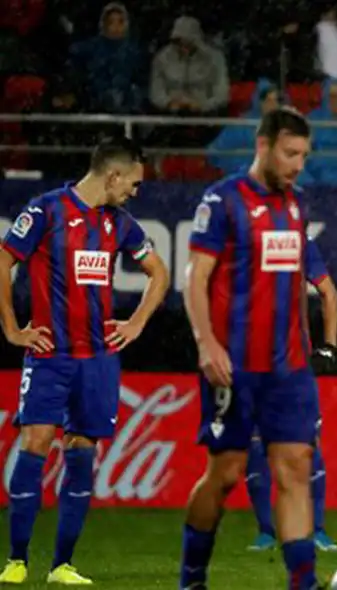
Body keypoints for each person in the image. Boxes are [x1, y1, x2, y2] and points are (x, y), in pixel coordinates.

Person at [0, 137, 169, 585]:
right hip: (50, 355)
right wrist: (13, 328)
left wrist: (135, 323)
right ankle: (17, 559)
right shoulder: (45, 211)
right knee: (35, 441)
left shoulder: (122, 224)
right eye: (132, 183)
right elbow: (2, 260)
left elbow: (160, 273)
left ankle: (61, 566)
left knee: (82, 452)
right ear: (112, 176)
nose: (135, 191)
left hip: (97, 359)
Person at [179, 107, 321, 590]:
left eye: (303, 155)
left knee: (296, 466)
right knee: (225, 473)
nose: (298, 164)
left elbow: (298, 284)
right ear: (263, 146)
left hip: (289, 369)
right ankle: (191, 577)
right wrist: (206, 344)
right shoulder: (221, 201)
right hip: (234, 367)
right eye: (290, 153)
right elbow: (194, 279)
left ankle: (302, 583)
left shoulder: (297, 207)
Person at [245, 237, 337, 553]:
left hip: (293, 363)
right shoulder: (242, 243)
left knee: (306, 446)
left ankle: (317, 530)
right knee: (257, 445)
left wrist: (329, 345)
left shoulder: (299, 242)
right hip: (252, 361)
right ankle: (266, 532)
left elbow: (328, 292)